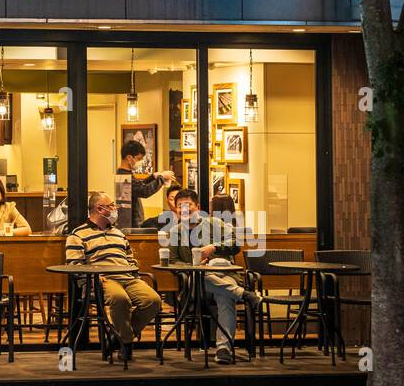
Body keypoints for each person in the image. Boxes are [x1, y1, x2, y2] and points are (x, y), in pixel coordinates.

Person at [165, 189, 261, 364]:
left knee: (224, 296)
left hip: (224, 274)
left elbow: (235, 244)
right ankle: (243, 294)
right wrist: (193, 267)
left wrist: (215, 247)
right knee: (207, 280)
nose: (184, 210)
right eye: (180, 206)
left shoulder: (215, 223)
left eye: (188, 206)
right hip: (197, 282)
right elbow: (173, 262)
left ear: (198, 207)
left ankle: (223, 349)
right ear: (176, 210)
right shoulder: (174, 232)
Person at [65, 191, 162, 361]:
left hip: (128, 277)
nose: (115, 209)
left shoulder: (119, 233)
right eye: (111, 206)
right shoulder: (77, 235)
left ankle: (118, 337)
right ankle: (125, 342)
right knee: (120, 299)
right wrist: (91, 278)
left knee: (153, 301)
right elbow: (74, 265)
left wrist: (134, 273)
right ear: (99, 209)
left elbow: (130, 258)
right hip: (103, 278)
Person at [118, 140, 177, 226]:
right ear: (129, 158)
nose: (141, 162)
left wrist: (153, 177)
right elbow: (143, 191)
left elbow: (139, 185)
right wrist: (161, 178)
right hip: (129, 224)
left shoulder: (126, 175)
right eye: (139, 159)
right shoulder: (123, 177)